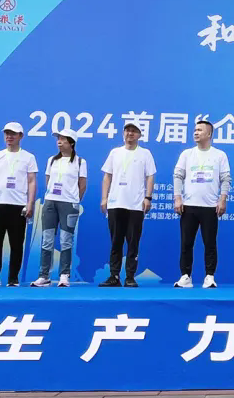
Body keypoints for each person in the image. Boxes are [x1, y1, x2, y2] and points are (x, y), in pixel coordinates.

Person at [0, 123, 38, 287]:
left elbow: (31, 181)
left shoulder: (28, 157)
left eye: (13, 134)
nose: (9, 137)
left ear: (21, 136)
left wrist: (30, 203)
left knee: (16, 244)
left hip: (18, 205)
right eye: (7, 133)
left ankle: (13, 278)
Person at [173, 120, 231, 288]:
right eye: (195, 130)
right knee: (186, 243)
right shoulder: (187, 154)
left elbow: (225, 179)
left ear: (209, 134)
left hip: (210, 207)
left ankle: (209, 276)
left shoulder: (219, 155)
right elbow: (178, 176)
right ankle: (185, 276)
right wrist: (177, 198)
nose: (196, 133)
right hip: (188, 206)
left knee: (210, 243)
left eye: (200, 130)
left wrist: (222, 199)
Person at [99, 122, 156, 288]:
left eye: (134, 131)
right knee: (116, 241)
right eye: (127, 130)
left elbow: (150, 176)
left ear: (139, 135)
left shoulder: (145, 154)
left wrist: (148, 197)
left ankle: (130, 276)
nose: (130, 133)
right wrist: (104, 198)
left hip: (136, 205)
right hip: (115, 203)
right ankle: (114, 276)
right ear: (123, 133)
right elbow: (107, 176)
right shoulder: (115, 152)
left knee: (133, 242)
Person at [32, 129, 87, 288]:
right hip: (50, 203)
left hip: (69, 204)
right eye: (58, 139)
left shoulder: (80, 162)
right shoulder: (51, 160)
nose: (59, 142)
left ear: (71, 143)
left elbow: (82, 185)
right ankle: (44, 276)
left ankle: (64, 275)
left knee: (65, 241)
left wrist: (74, 200)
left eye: (63, 139)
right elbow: (48, 180)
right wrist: (51, 196)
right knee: (47, 240)